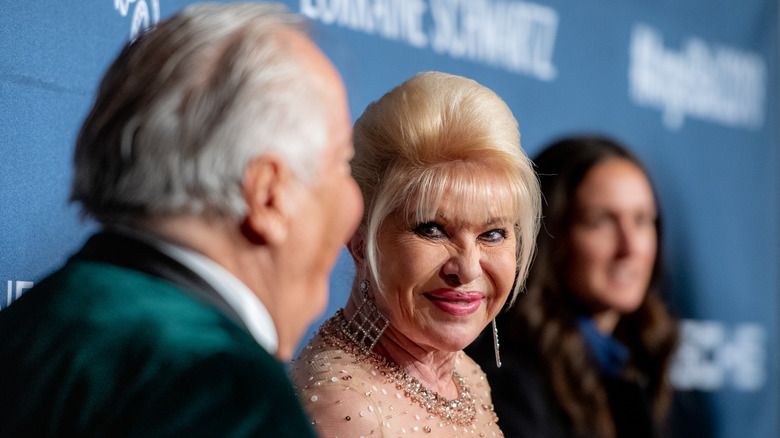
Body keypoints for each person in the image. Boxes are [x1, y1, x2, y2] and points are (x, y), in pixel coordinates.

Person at [0, 3, 362, 436]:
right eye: (343, 164)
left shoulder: (24, 329)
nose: (354, 199)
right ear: (269, 198)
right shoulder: (226, 394)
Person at [289, 71, 541, 437]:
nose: (468, 268)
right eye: (432, 230)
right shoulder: (347, 410)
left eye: (493, 234)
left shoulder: (467, 374)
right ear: (358, 238)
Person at [467, 135, 679, 438]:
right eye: (602, 221)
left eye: (642, 220)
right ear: (549, 235)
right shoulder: (508, 377)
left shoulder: (632, 359)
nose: (630, 247)